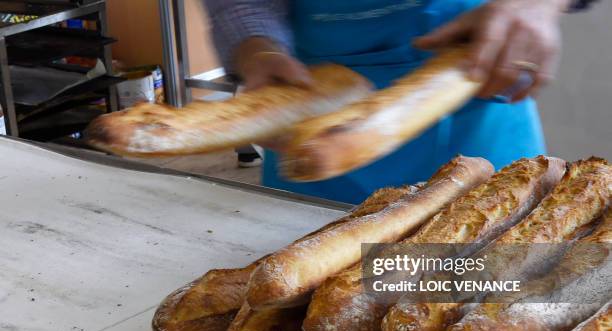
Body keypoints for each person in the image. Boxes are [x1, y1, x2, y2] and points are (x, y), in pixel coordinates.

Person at [204, 0, 596, 204]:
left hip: (480, 105)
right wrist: (257, 49)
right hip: (318, 128)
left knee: (494, 302)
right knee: (329, 309)